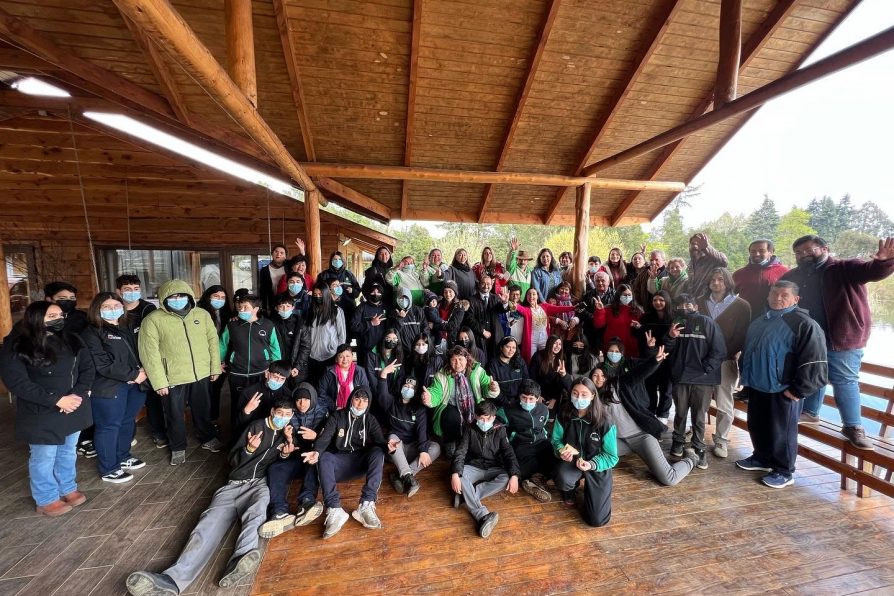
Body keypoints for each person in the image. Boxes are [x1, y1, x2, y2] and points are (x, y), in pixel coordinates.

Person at [126, 399, 296, 595]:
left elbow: (280, 463)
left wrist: (286, 450)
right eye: (280, 413)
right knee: (206, 526)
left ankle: (240, 560)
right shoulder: (255, 427)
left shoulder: (286, 434)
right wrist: (248, 449)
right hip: (233, 484)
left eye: (287, 415)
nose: (282, 418)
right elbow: (233, 460)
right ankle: (172, 580)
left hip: (259, 484)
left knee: (256, 514)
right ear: (272, 411)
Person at [782, 235, 894, 449]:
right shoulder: (796, 275)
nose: (803, 255)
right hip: (809, 339)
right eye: (798, 253)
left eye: (807, 250)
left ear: (825, 248)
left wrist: (884, 262)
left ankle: (853, 426)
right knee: (813, 373)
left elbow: (873, 271)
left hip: (843, 338)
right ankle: (811, 412)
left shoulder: (845, 268)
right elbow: (780, 292)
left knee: (844, 380)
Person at [0, 301, 94, 516]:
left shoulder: (72, 339)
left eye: (60, 315)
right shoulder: (17, 345)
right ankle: (46, 498)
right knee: (44, 456)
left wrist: (76, 395)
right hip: (42, 410)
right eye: (51, 316)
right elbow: (17, 383)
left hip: (74, 405)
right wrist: (57, 401)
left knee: (68, 452)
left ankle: (67, 487)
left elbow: (87, 368)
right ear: (35, 318)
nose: (58, 319)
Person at [737, 281, 829, 488]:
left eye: (784, 295)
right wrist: (746, 382)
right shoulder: (760, 321)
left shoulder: (804, 324)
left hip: (783, 389)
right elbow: (749, 352)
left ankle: (784, 471)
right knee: (757, 425)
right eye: (774, 294)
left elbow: (815, 362)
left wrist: (798, 390)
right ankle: (761, 458)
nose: (778, 298)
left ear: (795, 299)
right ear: (768, 296)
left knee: (782, 432)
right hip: (757, 385)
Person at [593, 337, 699, 486]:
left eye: (602, 375)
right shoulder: (591, 396)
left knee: (669, 479)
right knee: (593, 448)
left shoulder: (618, 384)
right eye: (595, 375)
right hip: (619, 441)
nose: (598, 379)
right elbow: (574, 390)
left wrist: (655, 361)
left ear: (607, 376)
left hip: (641, 437)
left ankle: (691, 459)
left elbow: (638, 373)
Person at [139, 280, 222, 466]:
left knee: (202, 409)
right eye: (173, 296)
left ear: (189, 297)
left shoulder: (201, 314)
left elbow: (212, 342)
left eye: (182, 295)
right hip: (172, 377)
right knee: (174, 414)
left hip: (200, 373)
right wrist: (159, 382)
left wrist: (214, 367)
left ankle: (207, 438)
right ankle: (177, 447)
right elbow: (149, 353)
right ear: (164, 298)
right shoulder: (153, 320)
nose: (178, 299)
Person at [301, 387, 400, 539]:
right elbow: (325, 437)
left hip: (359, 464)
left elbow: (380, 442)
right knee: (324, 457)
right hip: (338, 464)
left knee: (377, 452)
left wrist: (389, 447)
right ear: (351, 399)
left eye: (365, 401)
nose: (360, 404)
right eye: (357, 399)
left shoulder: (370, 419)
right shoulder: (337, 416)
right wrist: (317, 451)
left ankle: (366, 505)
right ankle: (334, 509)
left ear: (369, 403)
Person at [82, 292, 147, 483]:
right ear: (96, 309)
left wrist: (141, 373)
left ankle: (123, 456)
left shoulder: (127, 326)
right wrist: (134, 375)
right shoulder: (91, 332)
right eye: (107, 307)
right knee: (109, 426)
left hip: (135, 384)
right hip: (108, 387)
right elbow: (102, 364)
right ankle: (109, 468)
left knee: (127, 421)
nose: (113, 310)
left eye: (116, 306)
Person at [258, 383, 329, 539]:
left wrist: (316, 437)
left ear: (313, 399)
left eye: (306, 399)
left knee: (315, 460)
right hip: (295, 456)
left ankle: (306, 502)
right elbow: (282, 441)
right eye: (298, 400)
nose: (302, 404)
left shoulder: (323, 412)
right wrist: (290, 439)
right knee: (275, 468)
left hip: (313, 454)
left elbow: (330, 439)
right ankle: (279, 513)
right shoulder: (289, 413)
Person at [666, 293, 726, 470]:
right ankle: (678, 442)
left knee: (699, 416)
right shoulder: (675, 323)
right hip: (681, 378)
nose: (684, 307)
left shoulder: (707, 322)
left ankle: (699, 448)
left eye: (688, 304)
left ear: (696, 306)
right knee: (680, 412)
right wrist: (670, 336)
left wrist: (705, 368)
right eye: (681, 305)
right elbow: (667, 349)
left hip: (703, 380)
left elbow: (719, 350)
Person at [697, 268, 751, 458]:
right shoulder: (700, 302)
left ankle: (721, 439)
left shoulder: (742, 306)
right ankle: (697, 435)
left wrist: (720, 355)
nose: (716, 282)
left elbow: (741, 336)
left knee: (724, 403)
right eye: (712, 278)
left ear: (728, 282)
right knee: (699, 402)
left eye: (720, 279)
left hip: (725, 361)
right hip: (701, 361)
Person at [551, 377, 617, 527]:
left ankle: (593, 491)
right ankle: (570, 490)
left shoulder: (605, 420)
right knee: (561, 476)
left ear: (593, 396)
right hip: (572, 461)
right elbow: (556, 440)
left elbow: (611, 456)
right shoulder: (564, 413)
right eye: (575, 393)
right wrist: (561, 451)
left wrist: (592, 464)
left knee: (596, 520)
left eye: (584, 394)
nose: (578, 398)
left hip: (596, 464)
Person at [450, 399, 520, 538]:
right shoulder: (470, 429)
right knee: (461, 477)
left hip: (494, 466)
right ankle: (482, 515)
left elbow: (508, 453)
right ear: (476, 417)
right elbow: (460, 452)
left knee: (506, 478)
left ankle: (467, 495)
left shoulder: (500, 430)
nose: (483, 422)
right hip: (474, 465)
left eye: (487, 419)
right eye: (480, 418)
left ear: (493, 418)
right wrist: (454, 474)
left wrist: (515, 475)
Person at [117, 274, 166, 448]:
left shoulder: (148, 309)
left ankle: (159, 433)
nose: (132, 292)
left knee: (154, 402)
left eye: (136, 289)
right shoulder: (115, 309)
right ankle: (126, 438)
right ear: (119, 291)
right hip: (124, 367)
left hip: (148, 364)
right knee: (126, 406)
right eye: (127, 289)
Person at [220, 294, 281, 431]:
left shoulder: (267, 325)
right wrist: (220, 361)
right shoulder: (232, 325)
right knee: (237, 404)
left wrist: (275, 369)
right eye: (240, 307)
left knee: (260, 404)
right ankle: (236, 434)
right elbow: (223, 345)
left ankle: (258, 432)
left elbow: (275, 348)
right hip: (237, 373)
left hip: (260, 373)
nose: (241, 310)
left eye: (245, 307)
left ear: (256, 309)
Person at [421, 345, 500, 448]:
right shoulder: (441, 375)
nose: (457, 363)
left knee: (482, 414)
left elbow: (486, 386)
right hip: (452, 405)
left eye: (460, 359)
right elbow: (436, 392)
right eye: (454, 360)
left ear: (466, 359)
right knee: (450, 417)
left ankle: (477, 445)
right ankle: (451, 444)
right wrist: (429, 397)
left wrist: (492, 388)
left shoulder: (477, 371)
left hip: (474, 403)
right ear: (449, 361)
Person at [382, 376, 440, 498]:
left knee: (435, 448)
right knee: (392, 438)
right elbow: (381, 393)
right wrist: (383, 377)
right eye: (406, 386)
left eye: (412, 388)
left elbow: (422, 432)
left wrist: (423, 451)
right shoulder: (392, 402)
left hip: (413, 447)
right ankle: (408, 476)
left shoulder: (419, 408)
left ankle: (402, 476)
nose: (408, 389)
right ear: (401, 387)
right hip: (397, 450)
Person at [500, 379, 553, 502]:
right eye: (524, 398)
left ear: (538, 398)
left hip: (541, 442)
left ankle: (535, 479)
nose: (527, 401)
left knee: (555, 458)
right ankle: (534, 480)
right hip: (521, 445)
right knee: (518, 472)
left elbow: (543, 427)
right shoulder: (508, 410)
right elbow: (499, 428)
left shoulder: (544, 410)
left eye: (531, 399)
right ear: (519, 396)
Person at [511, 287, 577, 361]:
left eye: (533, 294)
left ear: (537, 296)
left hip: (544, 337)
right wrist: (514, 305)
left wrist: (573, 308)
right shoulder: (526, 310)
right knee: (531, 360)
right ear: (526, 297)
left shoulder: (545, 306)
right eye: (529, 294)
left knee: (545, 358)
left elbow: (559, 308)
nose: (531, 296)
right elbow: (519, 307)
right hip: (532, 339)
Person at [198, 285, 232, 427]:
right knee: (203, 394)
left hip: (221, 361)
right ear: (208, 297)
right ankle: (204, 423)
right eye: (216, 297)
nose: (220, 300)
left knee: (215, 391)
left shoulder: (227, 315)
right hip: (204, 361)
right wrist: (213, 363)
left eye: (223, 298)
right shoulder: (198, 313)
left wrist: (221, 362)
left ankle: (213, 421)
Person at [640, 290, 675, 423]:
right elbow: (641, 337)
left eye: (661, 300)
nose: (658, 303)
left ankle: (663, 416)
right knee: (650, 387)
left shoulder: (673, 318)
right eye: (655, 300)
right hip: (651, 358)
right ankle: (650, 413)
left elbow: (675, 340)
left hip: (668, 359)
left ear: (667, 301)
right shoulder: (646, 317)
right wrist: (638, 329)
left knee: (666, 390)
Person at [732, 239, 789, 320]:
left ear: (771, 252)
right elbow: (729, 295)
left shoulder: (784, 271)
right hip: (745, 317)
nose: (757, 254)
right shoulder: (739, 273)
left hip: (775, 319)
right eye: (753, 251)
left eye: (761, 251)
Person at [306, 281, 347, 384]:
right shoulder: (311, 311)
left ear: (326, 294)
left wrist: (338, 353)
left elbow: (342, 335)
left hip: (330, 354)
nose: (318, 297)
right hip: (312, 355)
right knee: (314, 383)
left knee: (328, 384)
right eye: (315, 295)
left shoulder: (336, 311)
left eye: (320, 294)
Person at [235, 361, 292, 430]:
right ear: (267, 374)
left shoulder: (287, 394)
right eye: (275, 377)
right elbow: (237, 422)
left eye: (282, 379)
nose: (278, 381)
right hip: (253, 431)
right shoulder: (248, 393)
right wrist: (246, 411)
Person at [317, 343, 372, 413]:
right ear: (336, 359)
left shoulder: (360, 371)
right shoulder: (329, 372)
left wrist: (358, 408)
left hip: (356, 410)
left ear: (352, 357)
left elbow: (366, 392)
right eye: (341, 357)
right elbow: (321, 392)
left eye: (348, 356)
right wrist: (334, 407)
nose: (345, 359)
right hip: (334, 410)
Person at [593, 283, 643, 358]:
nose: (627, 297)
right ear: (619, 295)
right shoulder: (609, 309)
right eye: (624, 295)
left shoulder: (638, 310)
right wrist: (600, 311)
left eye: (629, 295)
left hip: (630, 346)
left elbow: (643, 329)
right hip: (612, 346)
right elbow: (599, 325)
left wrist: (639, 327)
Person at [351, 276, 389, 367]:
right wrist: (371, 323)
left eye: (378, 292)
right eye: (373, 291)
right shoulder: (362, 307)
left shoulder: (386, 308)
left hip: (382, 348)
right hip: (365, 348)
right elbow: (353, 326)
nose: (376, 294)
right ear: (369, 293)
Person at [272, 294, 310, 385]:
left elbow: (305, 347)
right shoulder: (271, 324)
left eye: (288, 306)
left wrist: (298, 366)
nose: (285, 309)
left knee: (296, 390)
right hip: (279, 365)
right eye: (281, 306)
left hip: (296, 365)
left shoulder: (300, 324)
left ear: (293, 307)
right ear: (276, 308)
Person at [527, 335, 569, 413]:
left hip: (554, 396)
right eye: (555, 343)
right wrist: (537, 396)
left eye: (560, 344)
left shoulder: (562, 358)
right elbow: (532, 378)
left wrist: (554, 399)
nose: (557, 346)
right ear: (550, 343)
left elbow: (561, 382)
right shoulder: (538, 356)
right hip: (538, 394)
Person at [466, 273, 504, 359]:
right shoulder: (471, 300)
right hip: (478, 337)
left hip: (495, 337)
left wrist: (505, 303)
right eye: (483, 283)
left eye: (488, 284)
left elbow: (501, 310)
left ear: (492, 285)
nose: (486, 286)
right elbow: (469, 319)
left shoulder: (496, 298)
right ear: (479, 284)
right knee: (481, 361)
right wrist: (482, 331)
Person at [318, 251, 361, 326]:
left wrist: (352, 291)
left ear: (343, 261)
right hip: (330, 308)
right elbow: (319, 290)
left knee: (348, 328)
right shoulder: (324, 275)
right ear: (331, 261)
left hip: (348, 308)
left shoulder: (349, 274)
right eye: (335, 259)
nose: (337, 261)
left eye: (339, 259)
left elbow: (357, 289)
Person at [486, 336, 528, 407]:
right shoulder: (493, 364)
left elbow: (526, 381)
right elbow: (493, 389)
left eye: (514, 348)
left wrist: (520, 400)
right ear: (501, 347)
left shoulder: (520, 361)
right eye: (508, 347)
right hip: (500, 404)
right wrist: (507, 402)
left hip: (519, 402)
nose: (511, 350)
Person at [686, 232, 729, 298]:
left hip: (709, 302)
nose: (695, 246)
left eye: (699, 244)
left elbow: (724, 261)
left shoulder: (713, 260)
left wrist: (707, 247)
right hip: (694, 303)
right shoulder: (691, 263)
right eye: (693, 244)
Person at [392, 287, 427, 354]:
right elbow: (394, 332)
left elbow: (425, 328)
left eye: (406, 298)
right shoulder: (394, 312)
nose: (404, 300)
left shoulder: (418, 311)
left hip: (418, 348)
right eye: (401, 298)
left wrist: (423, 343)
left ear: (410, 298)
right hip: (403, 351)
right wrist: (400, 318)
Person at [259, 243, 288, 315]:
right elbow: (263, 290)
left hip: (287, 301)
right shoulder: (264, 270)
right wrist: (264, 307)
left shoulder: (289, 268)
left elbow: (300, 264)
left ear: (285, 256)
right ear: (272, 254)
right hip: (272, 301)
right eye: (276, 252)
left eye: (282, 253)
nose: (278, 254)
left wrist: (302, 251)